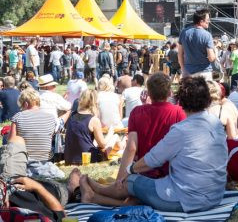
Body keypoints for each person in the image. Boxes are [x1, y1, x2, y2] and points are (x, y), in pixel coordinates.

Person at [79, 76, 228, 214]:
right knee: (136, 192)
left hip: (185, 199)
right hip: (214, 196)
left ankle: (96, 192)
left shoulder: (182, 129)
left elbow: (152, 160)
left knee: (131, 181)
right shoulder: (216, 124)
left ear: (180, 100)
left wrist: (129, 170)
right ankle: (96, 194)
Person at [115, 72, 186, 183]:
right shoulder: (179, 112)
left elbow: (131, 148)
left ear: (148, 93)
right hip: (171, 176)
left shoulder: (137, 112)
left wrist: (119, 179)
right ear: (170, 92)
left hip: (144, 174)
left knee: (129, 197)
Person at [9, 89, 58, 172]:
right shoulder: (51, 117)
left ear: (25, 104)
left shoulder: (18, 117)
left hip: (24, 160)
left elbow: (11, 141)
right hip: (46, 159)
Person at [64, 89, 116, 165]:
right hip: (87, 159)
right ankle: (123, 149)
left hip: (69, 158)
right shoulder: (93, 120)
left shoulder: (71, 115)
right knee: (115, 137)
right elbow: (103, 144)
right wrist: (111, 132)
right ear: (95, 102)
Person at [178, 8, 216, 80]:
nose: (209, 21)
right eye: (207, 19)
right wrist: (215, 53)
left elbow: (180, 54)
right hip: (204, 72)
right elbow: (211, 58)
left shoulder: (183, 33)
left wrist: (183, 69)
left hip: (188, 71)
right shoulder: (207, 35)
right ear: (201, 21)